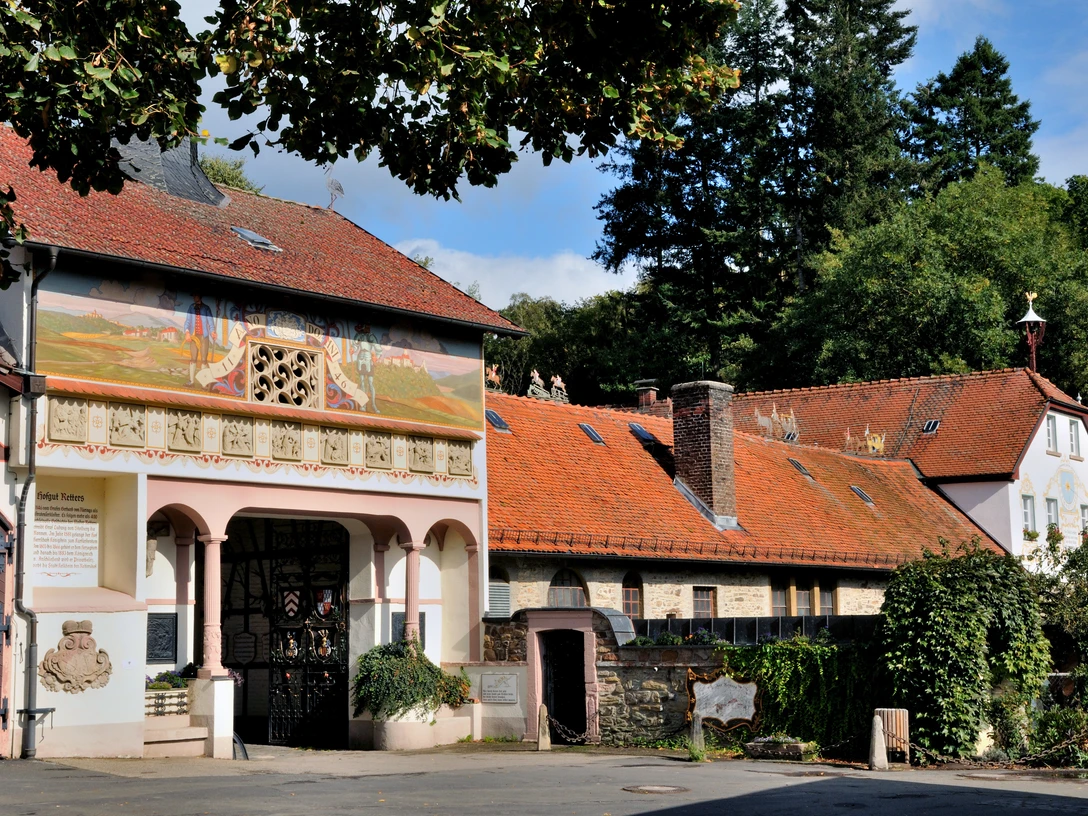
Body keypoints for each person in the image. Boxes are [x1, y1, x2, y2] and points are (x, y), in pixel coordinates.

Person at [183, 294, 217, 385]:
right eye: (193, 296)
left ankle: (204, 383)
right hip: (194, 336)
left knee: (203, 359)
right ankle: (191, 381)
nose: (194, 297)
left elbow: (210, 322)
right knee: (193, 358)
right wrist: (187, 332)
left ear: (200, 297)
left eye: (196, 296)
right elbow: (188, 321)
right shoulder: (191, 307)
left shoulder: (206, 308)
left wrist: (213, 332)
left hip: (204, 337)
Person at [351, 323, 380, 412]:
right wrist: (353, 349)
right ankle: (363, 405)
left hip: (368, 358)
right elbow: (355, 345)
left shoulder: (371, 337)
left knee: (370, 383)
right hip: (360, 357)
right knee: (362, 382)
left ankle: (373, 405)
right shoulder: (359, 335)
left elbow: (378, 349)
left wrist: (376, 357)